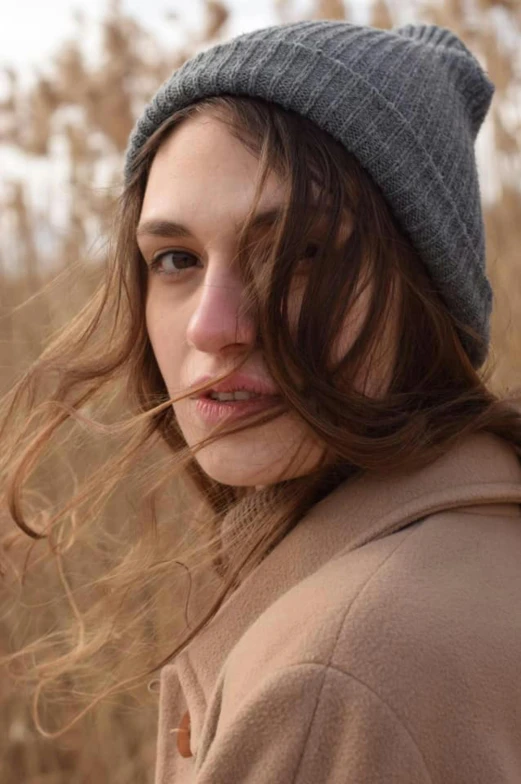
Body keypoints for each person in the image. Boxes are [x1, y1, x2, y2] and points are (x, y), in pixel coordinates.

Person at [2, 17, 521, 784]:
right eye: (174, 259)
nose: (213, 327)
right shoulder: (483, 535)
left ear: (426, 291)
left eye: (300, 255)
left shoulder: (340, 675)